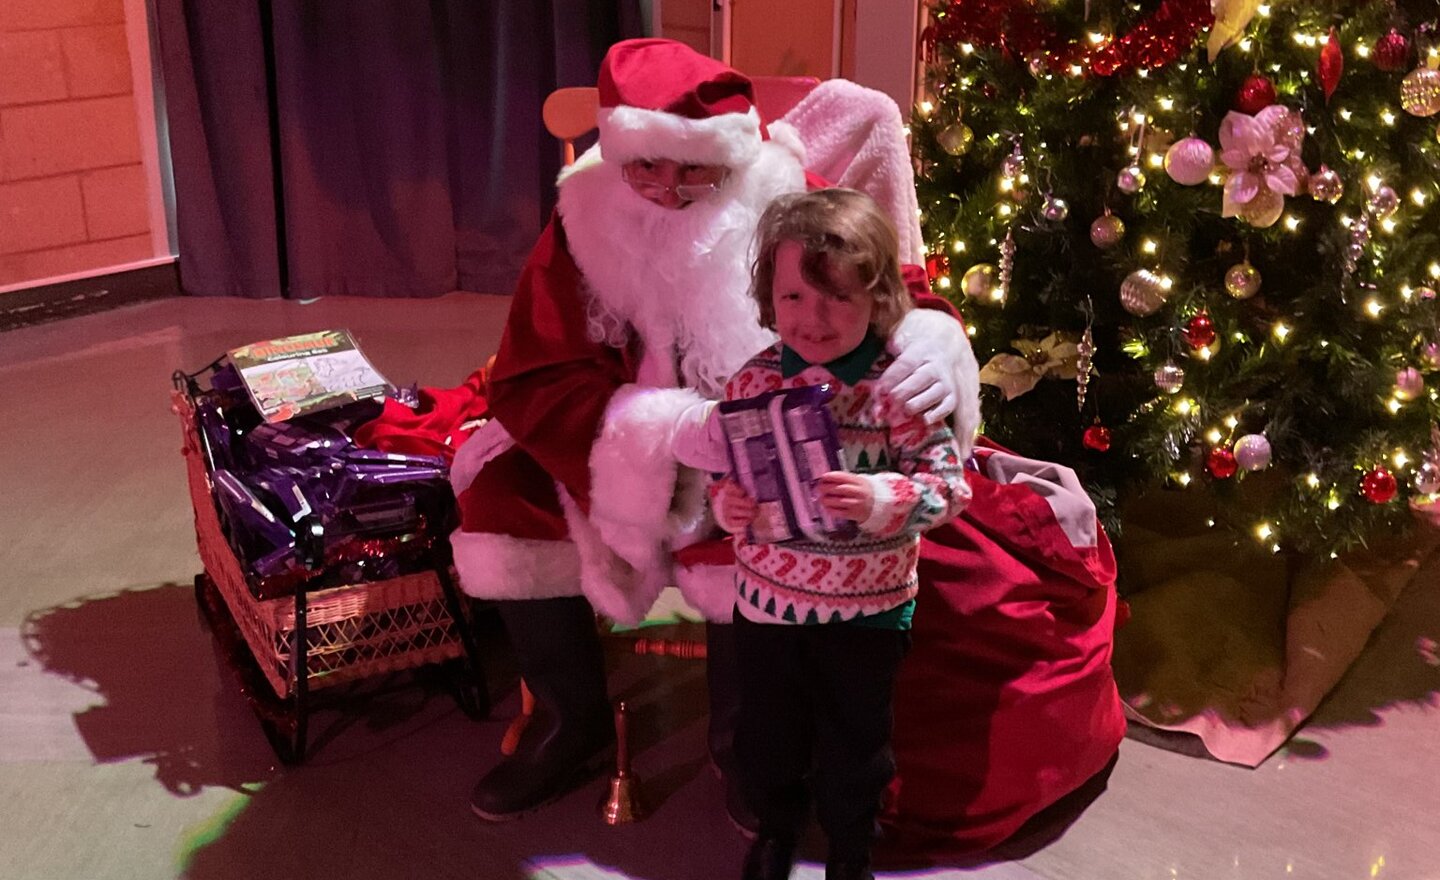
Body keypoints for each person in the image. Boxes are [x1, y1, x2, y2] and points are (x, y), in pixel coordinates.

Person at [447, 38, 978, 825]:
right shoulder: (583, 214)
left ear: (734, 156)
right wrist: (666, 432)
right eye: (646, 167)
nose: (667, 190)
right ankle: (571, 719)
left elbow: (890, 283)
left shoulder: (788, 192)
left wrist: (937, 340)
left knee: (769, 516)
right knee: (499, 496)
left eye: (696, 169)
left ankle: (743, 743)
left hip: (776, 433)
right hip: (626, 437)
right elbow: (535, 371)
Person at [709, 189, 973, 880]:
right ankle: (775, 827)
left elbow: (950, 487)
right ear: (769, 296)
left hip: (868, 611)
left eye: (838, 299)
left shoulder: (897, 387)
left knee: (856, 744)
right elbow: (727, 476)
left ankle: (850, 851)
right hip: (767, 603)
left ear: (879, 297)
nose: (813, 320)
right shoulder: (752, 382)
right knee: (767, 734)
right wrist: (728, 505)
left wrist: (884, 496)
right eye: (794, 297)